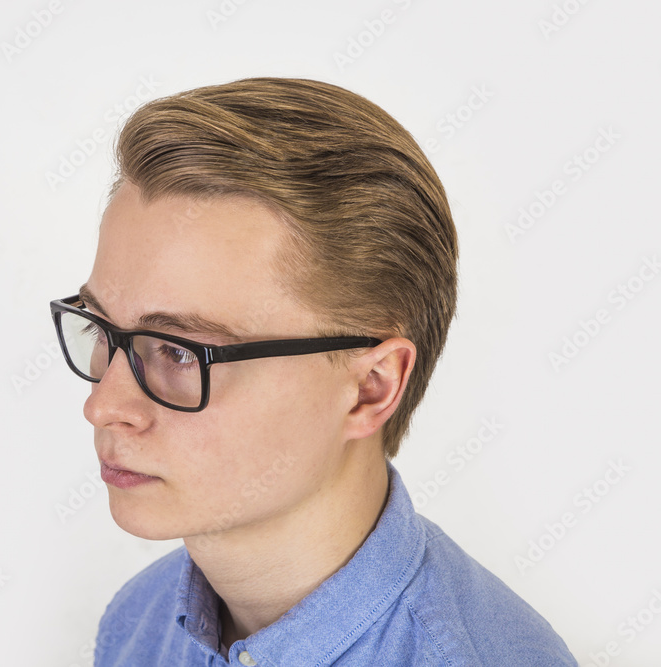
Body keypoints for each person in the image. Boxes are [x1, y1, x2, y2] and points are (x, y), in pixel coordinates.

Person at [49, 77, 577, 666]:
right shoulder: (139, 623)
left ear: (369, 388)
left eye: (177, 350)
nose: (103, 405)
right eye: (100, 328)